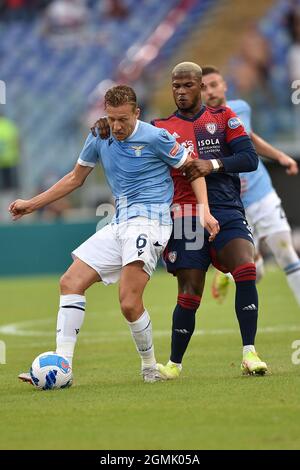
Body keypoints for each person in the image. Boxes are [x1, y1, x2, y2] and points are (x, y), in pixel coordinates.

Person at [10, 85, 218, 385]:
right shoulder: (99, 135)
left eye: (123, 119)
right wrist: (32, 204)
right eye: (111, 118)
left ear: (137, 113)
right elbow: (74, 178)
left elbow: (192, 169)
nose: (117, 126)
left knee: (129, 303)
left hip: (150, 222)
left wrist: (204, 211)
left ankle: (150, 367)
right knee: (70, 282)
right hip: (120, 223)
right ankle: (62, 367)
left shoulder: (155, 137)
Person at [93, 63, 267, 379]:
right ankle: (174, 364)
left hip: (226, 209)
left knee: (246, 267)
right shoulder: (161, 127)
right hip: (184, 216)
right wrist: (104, 126)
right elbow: (129, 130)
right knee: (190, 293)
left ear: (200, 86)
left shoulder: (224, 118)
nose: (181, 91)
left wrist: (210, 164)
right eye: (176, 86)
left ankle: (249, 353)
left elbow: (249, 159)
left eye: (188, 85)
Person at [201, 65, 300, 306]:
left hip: (261, 193)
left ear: (224, 85)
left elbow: (250, 138)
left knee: (286, 253)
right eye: (204, 87)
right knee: (255, 273)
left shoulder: (241, 108)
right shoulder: (198, 125)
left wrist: (279, 156)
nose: (211, 91)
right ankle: (226, 273)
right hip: (232, 203)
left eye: (214, 84)